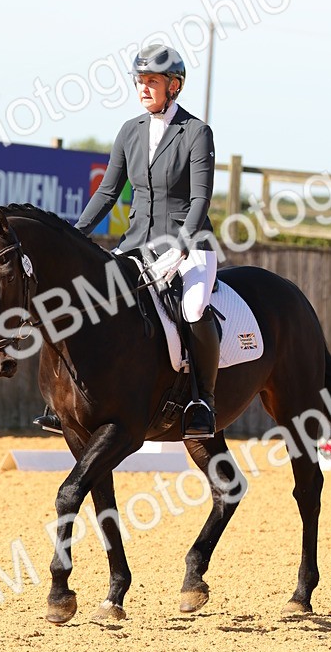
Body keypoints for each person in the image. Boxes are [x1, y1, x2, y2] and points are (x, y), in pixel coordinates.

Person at [34, 43, 219, 440]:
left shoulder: (196, 132)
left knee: (192, 307)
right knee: (88, 296)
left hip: (189, 246)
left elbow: (201, 197)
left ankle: (202, 400)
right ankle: (65, 400)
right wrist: (74, 233)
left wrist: (183, 243)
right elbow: (107, 192)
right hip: (137, 246)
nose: (144, 88)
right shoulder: (130, 131)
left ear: (175, 86)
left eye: (153, 81)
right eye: (141, 81)